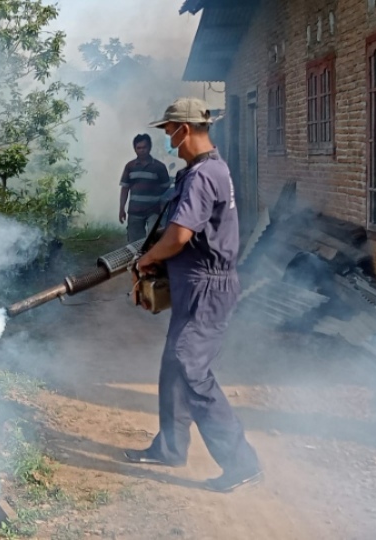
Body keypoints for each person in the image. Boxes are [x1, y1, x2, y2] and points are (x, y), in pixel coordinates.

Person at [124, 98, 262, 493]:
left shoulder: (203, 175)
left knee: (190, 368)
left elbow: (181, 233)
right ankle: (169, 447)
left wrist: (148, 257)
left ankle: (242, 463)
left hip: (207, 287)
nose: (170, 142)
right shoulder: (202, 169)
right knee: (173, 365)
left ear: (185, 129)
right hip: (195, 284)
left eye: (170, 134)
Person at [119, 133, 172, 244]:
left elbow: (166, 190)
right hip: (134, 211)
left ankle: (153, 261)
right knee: (135, 244)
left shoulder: (159, 167)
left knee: (154, 241)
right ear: (134, 149)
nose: (142, 150)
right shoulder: (130, 166)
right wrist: (121, 209)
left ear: (149, 147)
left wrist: (162, 207)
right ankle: (137, 262)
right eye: (139, 148)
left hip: (154, 211)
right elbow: (125, 188)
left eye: (144, 147)